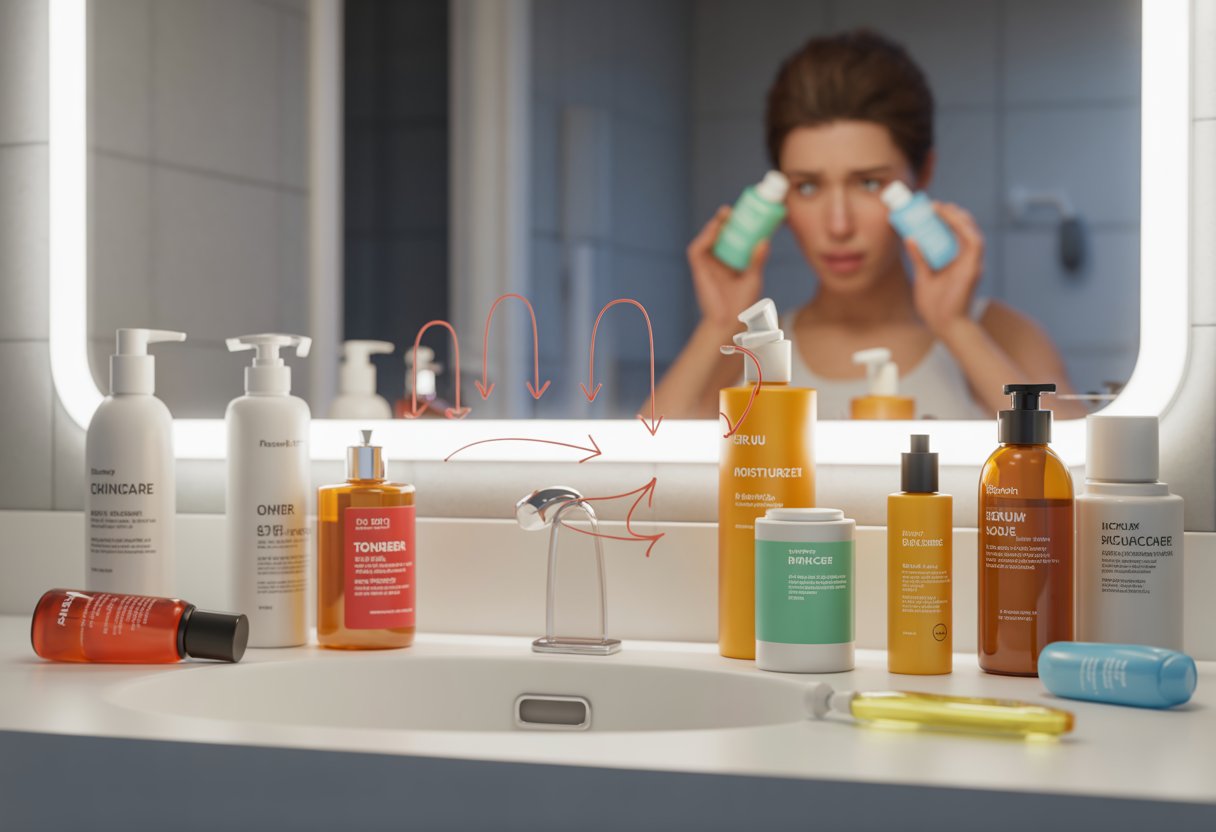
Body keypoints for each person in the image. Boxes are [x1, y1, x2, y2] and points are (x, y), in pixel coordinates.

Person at [650, 29, 1085, 421]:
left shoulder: (1003, 335)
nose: (838, 225)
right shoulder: (745, 352)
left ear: (923, 173)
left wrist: (957, 329)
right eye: (807, 187)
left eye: (869, 183)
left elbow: (1076, 468)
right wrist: (718, 323)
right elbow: (641, 468)